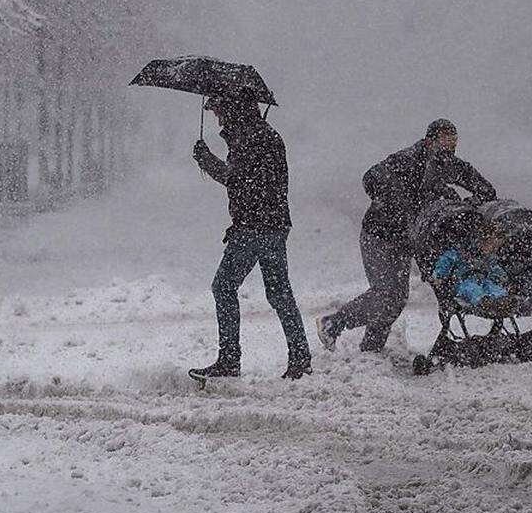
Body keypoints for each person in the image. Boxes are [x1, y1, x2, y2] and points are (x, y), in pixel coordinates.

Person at [317, 119, 496, 353]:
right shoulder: (406, 159)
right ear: (429, 140)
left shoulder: (450, 165)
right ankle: (334, 323)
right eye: (445, 141)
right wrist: (395, 205)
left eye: (454, 143)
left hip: (407, 239)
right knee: (388, 294)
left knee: (396, 297)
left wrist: (464, 205)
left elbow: (486, 190)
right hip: (379, 234)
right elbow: (370, 178)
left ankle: (371, 349)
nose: (450, 148)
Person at [189, 89, 312, 381]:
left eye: (218, 109)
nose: (216, 117)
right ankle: (300, 358)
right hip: (274, 224)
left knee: (223, 287)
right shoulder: (263, 134)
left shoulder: (250, 138)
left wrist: (205, 158)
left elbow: (235, 179)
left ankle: (230, 361)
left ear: (232, 108)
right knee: (279, 293)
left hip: (253, 226)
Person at [431, 222, 510, 312]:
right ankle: (483, 301)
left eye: (496, 246)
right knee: (472, 289)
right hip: (462, 281)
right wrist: (439, 275)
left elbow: (495, 268)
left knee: (492, 287)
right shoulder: (462, 251)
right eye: (492, 245)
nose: (494, 249)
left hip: (482, 280)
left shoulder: (488, 257)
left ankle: (503, 300)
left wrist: (502, 277)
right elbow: (446, 260)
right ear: (482, 241)